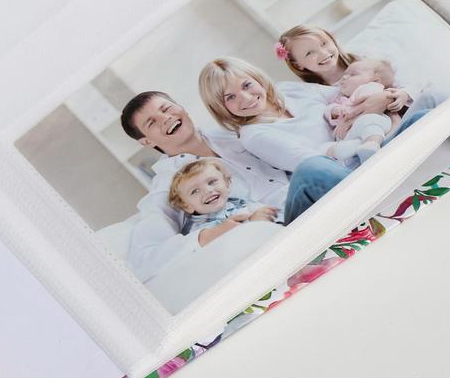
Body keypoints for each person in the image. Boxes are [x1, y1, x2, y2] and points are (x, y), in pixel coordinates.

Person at [198, 56, 435, 217]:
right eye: (230, 97)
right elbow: (312, 160)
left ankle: (399, 172)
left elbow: (350, 93)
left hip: (373, 143)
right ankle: (383, 185)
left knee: (429, 105)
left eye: (247, 85)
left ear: (258, 79)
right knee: (311, 168)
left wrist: (385, 97)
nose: (245, 97)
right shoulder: (253, 134)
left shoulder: (289, 90)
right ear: (221, 107)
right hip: (345, 173)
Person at [120, 90, 287, 281]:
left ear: (181, 107)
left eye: (166, 109)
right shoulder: (167, 185)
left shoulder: (233, 132)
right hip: (273, 238)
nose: (165, 118)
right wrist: (210, 235)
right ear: (147, 141)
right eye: (152, 123)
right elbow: (144, 261)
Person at [277, 25, 415, 139]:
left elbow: (408, 82)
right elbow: (331, 123)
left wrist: (400, 94)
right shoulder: (318, 93)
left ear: (332, 39)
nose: (323, 53)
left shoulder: (365, 60)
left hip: (402, 114)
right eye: (309, 53)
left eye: (324, 44)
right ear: (298, 65)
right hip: (371, 133)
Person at [167, 158, 279, 246]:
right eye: (195, 191)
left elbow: (269, 213)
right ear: (187, 206)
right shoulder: (202, 230)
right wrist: (252, 222)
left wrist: (266, 213)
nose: (208, 190)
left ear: (227, 183)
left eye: (211, 182)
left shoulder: (240, 202)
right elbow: (226, 246)